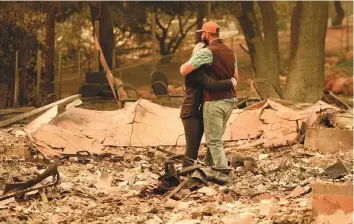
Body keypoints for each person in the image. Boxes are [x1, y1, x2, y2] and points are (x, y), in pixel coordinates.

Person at [180, 22, 238, 184]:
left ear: (207, 33)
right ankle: (210, 168)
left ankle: (222, 174)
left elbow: (183, 70)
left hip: (214, 101)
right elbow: (236, 77)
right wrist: (231, 81)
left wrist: (194, 60)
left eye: (202, 33)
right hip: (230, 100)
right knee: (216, 138)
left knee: (213, 141)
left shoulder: (207, 52)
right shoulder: (231, 52)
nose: (201, 36)